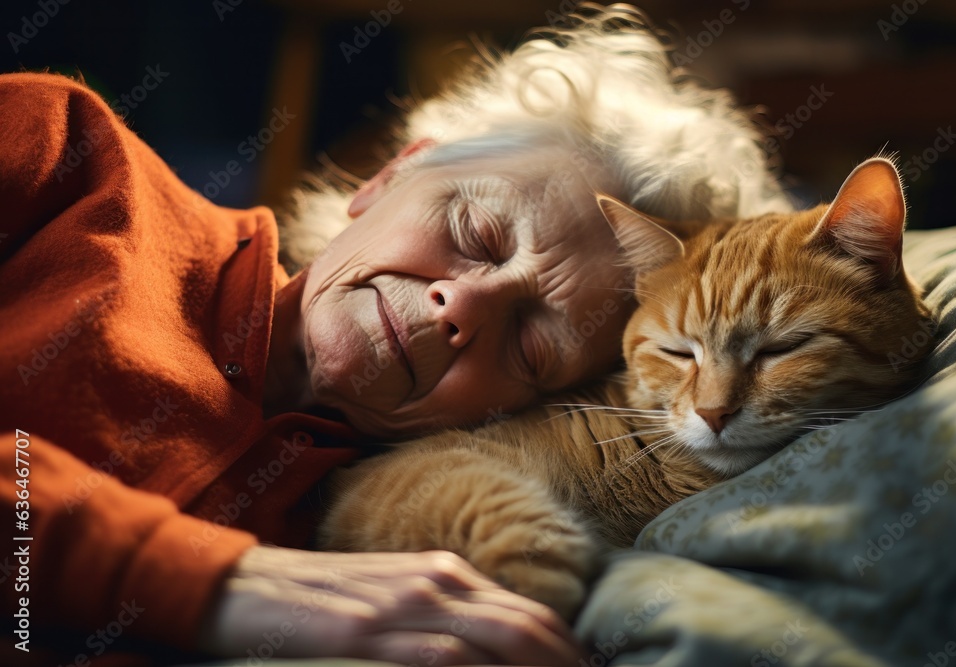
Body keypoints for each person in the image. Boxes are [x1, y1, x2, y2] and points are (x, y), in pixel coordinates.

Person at [0, 6, 789, 666]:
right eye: (478, 229)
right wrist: (197, 578)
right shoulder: (66, 155)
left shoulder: (375, 553)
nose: (463, 306)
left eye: (531, 344)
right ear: (393, 176)